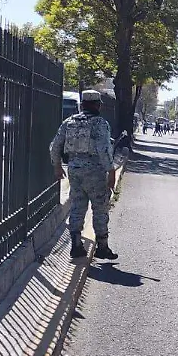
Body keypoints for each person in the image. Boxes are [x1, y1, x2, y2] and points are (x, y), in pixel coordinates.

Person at [49, 91, 118, 260]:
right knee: (100, 208)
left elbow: (55, 145)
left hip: (74, 169)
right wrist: (111, 171)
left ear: (82, 105)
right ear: (98, 105)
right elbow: (103, 150)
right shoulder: (100, 123)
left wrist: (57, 166)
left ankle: (76, 244)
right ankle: (102, 246)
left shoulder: (69, 122)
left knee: (77, 206)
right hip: (95, 171)